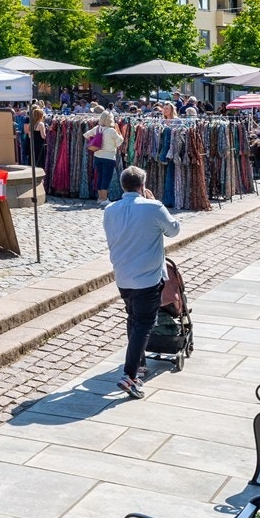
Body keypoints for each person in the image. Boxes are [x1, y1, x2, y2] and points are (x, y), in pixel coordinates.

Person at [103, 166, 181, 400]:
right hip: (147, 277)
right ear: (143, 185)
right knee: (144, 324)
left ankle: (139, 364)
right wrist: (156, 203)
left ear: (123, 185)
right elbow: (174, 230)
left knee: (133, 318)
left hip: (123, 276)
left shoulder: (110, 210)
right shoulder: (153, 207)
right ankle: (130, 375)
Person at [88, 110, 121, 201]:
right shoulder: (112, 131)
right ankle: (104, 199)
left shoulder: (97, 128)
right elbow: (119, 142)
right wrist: (119, 132)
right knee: (106, 178)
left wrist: (95, 140)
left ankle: (100, 198)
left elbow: (86, 135)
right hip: (109, 157)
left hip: (97, 155)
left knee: (100, 176)